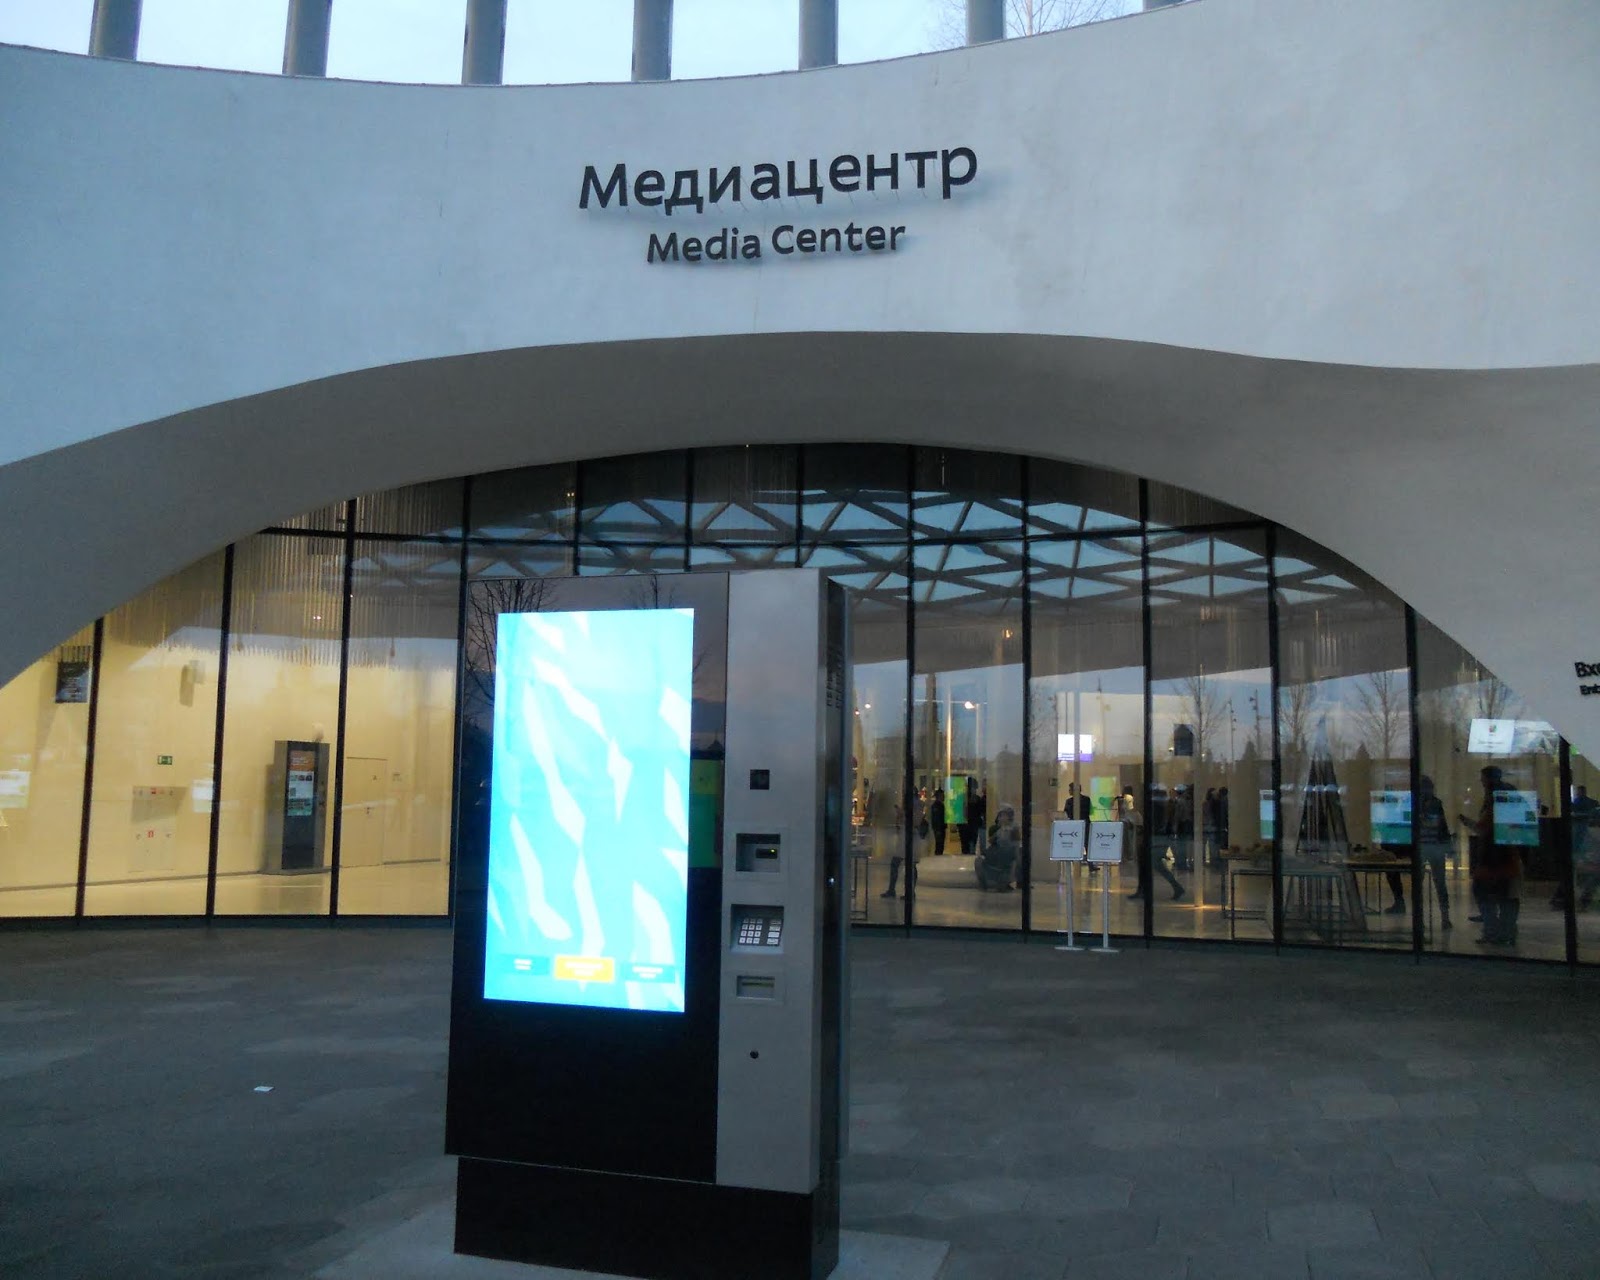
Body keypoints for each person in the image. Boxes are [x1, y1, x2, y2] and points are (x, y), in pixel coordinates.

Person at [1465, 765, 1521, 946]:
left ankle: (1493, 930)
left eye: (1483, 779)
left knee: (1482, 891)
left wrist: (1469, 823)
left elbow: (1484, 827)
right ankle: (1507, 932)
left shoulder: (1495, 798)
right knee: (1506, 895)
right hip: (1508, 855)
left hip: (1493, 856)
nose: (1481, 782)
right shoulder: (1510, 794)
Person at [1124, 791, 1185, 901]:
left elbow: (1156, 825)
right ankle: (1144, 890)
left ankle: (1175, 887)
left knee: (1154, 865)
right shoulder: (1161, 808)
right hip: (1156, 839)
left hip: (1156, 840)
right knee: (1150, 865)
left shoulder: (1157, 810)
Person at [1417, 775, 1453, 930]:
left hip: (1426, 846)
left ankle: (1440, 918)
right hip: (1433, 846)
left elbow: (1442, 826)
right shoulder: (1435, 803)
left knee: (1435, 883)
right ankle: (1444, 918)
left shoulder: (1428, 804)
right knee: (1439, 883)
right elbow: (1443, 826)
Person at [976, 805, 1019, 891]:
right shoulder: (1000, 830)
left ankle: (1002, 883)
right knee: (978, 861)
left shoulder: (1013, 829)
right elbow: (990, 842)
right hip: (997, 858)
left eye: (1002, 816)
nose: (999, 818)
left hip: (1005, 861)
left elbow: (1015, 847)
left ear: (1008, 817)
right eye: (999, 816)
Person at [930, 786, 948, 856]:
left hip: (940, 828)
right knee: (939, 845)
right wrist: (938, 829)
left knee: (940, 845)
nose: (944, 797)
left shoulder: (939, 805)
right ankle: (938, 857)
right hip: (939, 828)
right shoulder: (937, 806)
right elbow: (936, 818)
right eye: (942, 795)